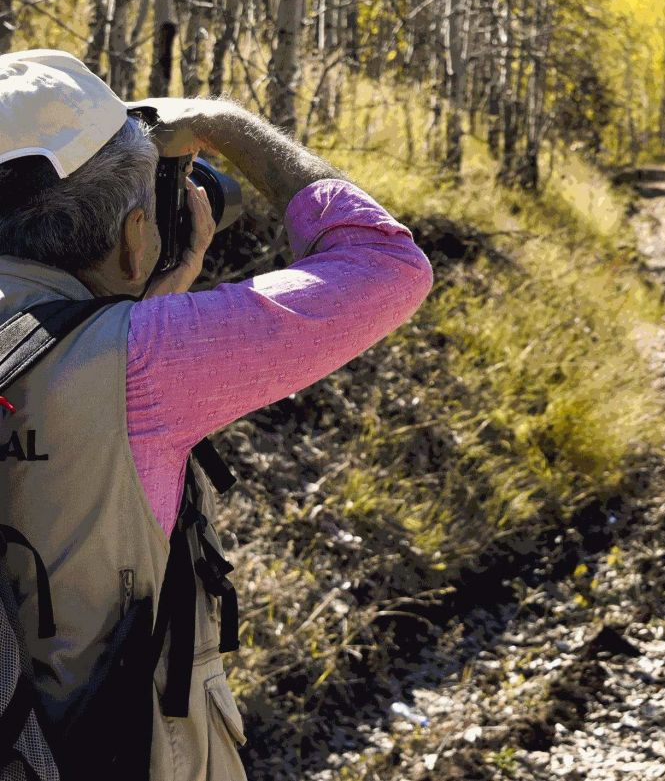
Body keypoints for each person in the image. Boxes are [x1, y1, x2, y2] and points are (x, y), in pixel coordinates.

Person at [0, 51, 433, 779]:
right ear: (138, 238)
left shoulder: (128, 356)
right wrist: (221, 122)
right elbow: (386, 262)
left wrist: (146, 302)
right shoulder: (147, 364)